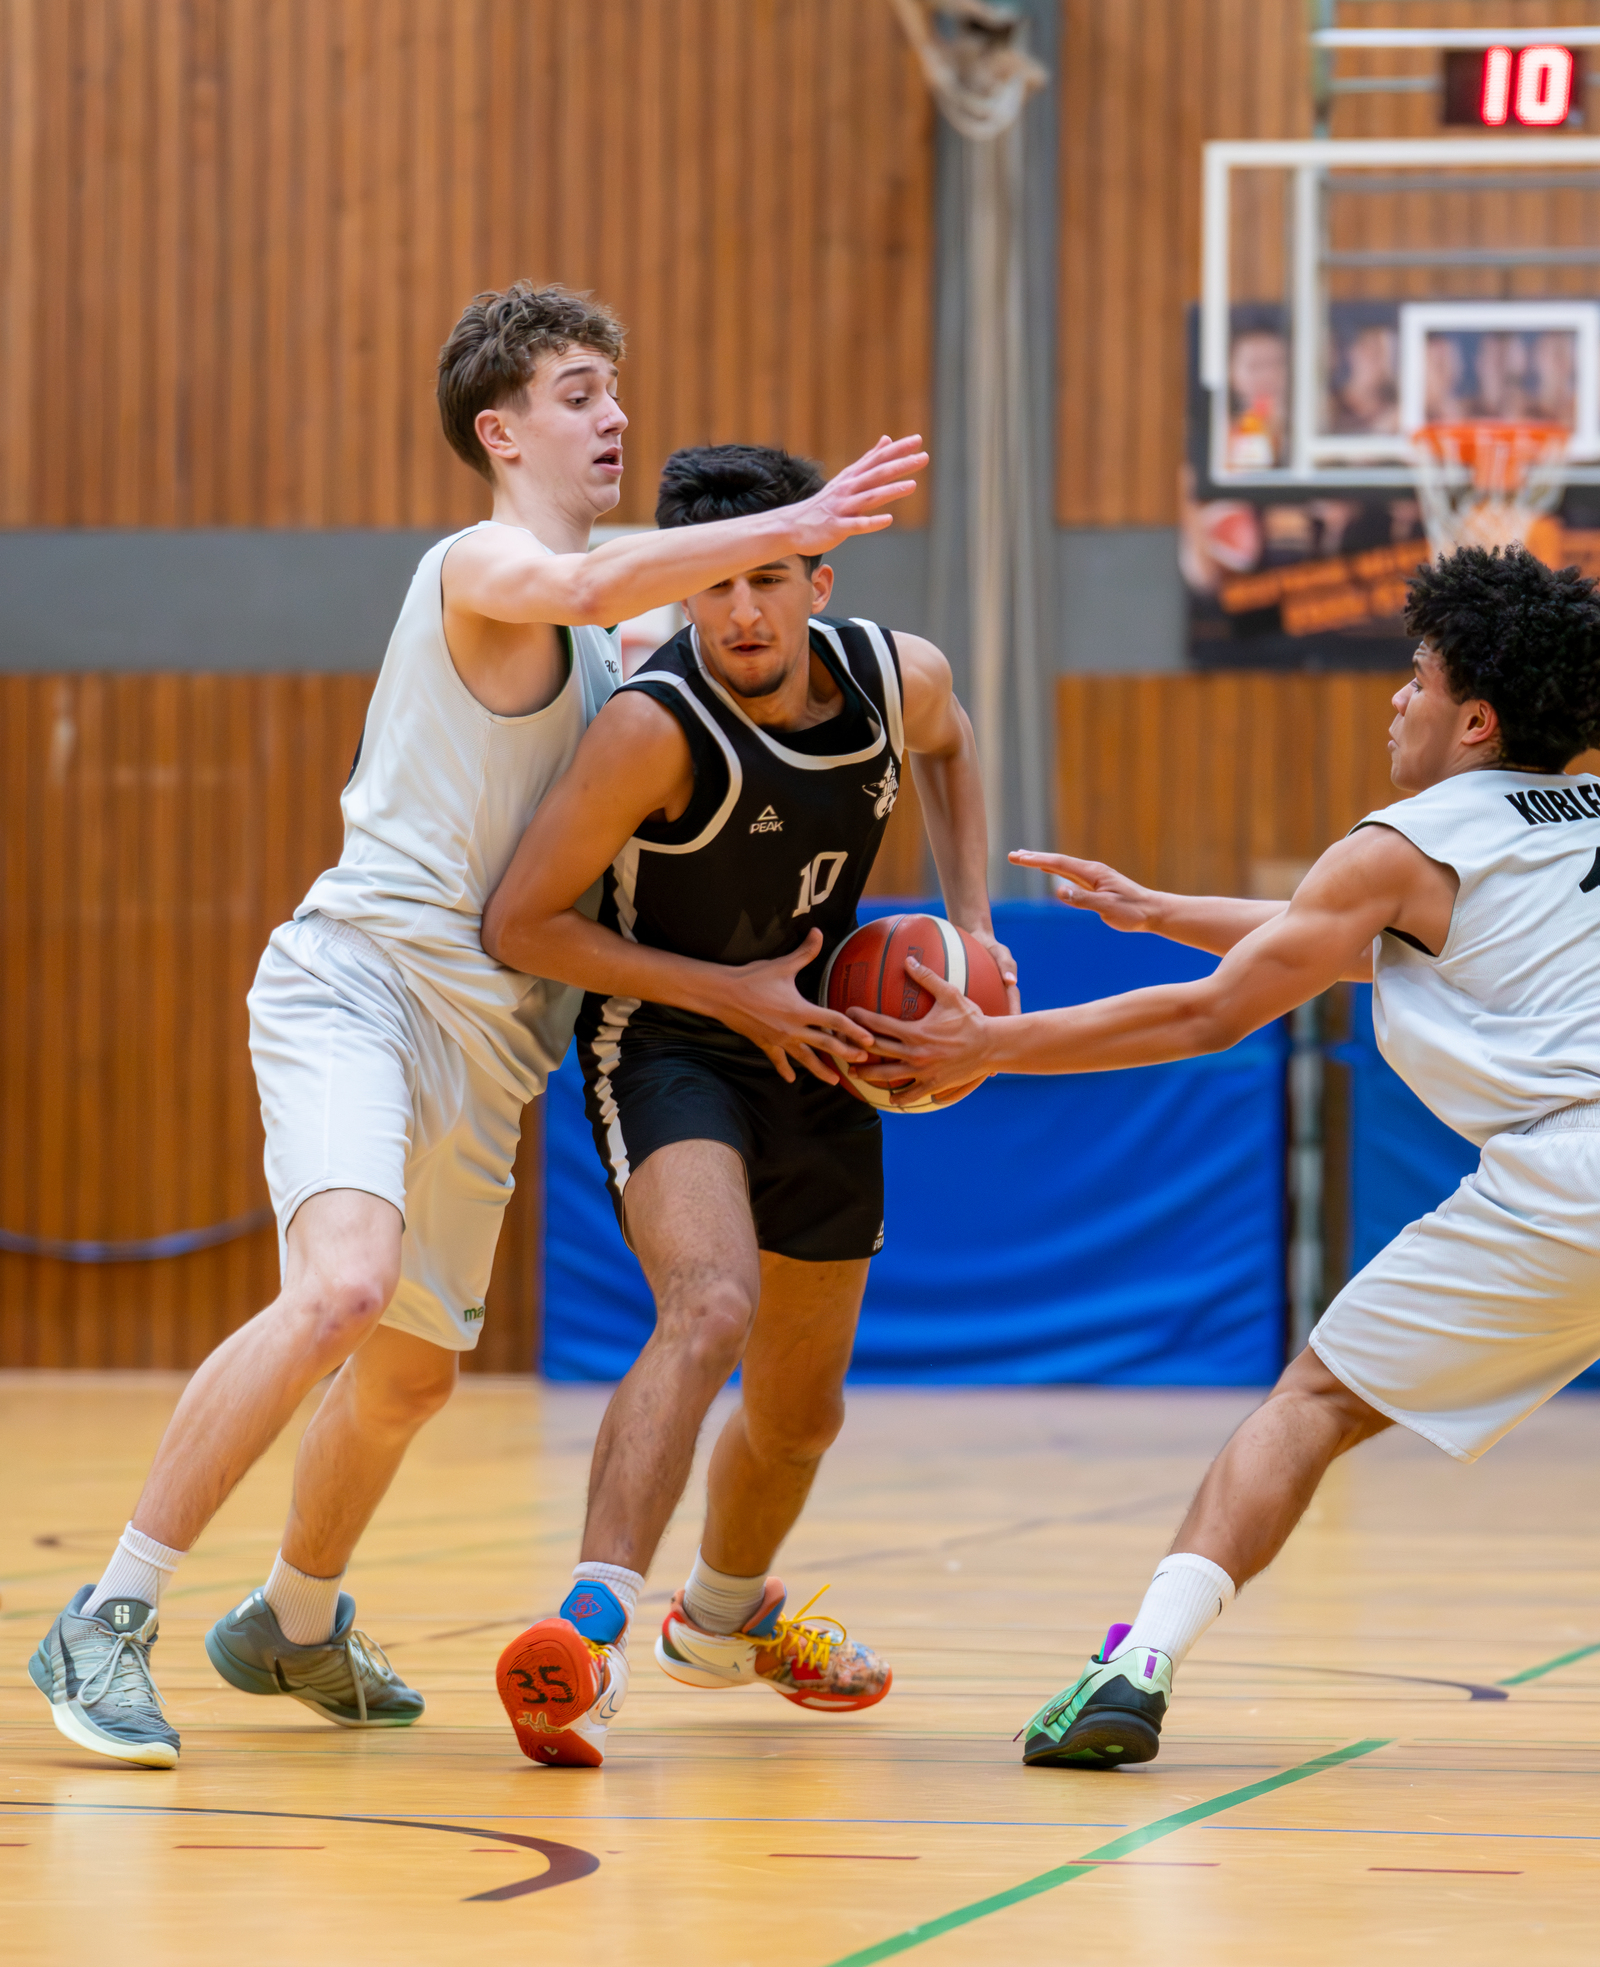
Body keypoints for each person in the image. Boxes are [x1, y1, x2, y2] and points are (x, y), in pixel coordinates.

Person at [28, 283, 926, 1769]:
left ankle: (291, 1622)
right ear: (501, 432)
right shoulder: (485, 565)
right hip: (365, 984)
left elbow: (726, 629)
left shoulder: (616, 637)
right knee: (341, 1289)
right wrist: (801, 515)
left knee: (411, 1372)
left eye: (615, 389)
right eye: (579, 394)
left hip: (494, 1042)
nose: (613, 416)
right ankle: (106, 1616)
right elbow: (591, 582)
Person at [852, 544, 1600, 1769]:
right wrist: (1157, 910)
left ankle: (1134, 1665)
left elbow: (1210, 1015)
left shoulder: (1402, 842)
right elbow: (1368, 941)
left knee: (1311, 1402)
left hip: (1567, 1175)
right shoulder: (1569, 827)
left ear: (1474, 720)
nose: (1395, 698)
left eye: (1416, 676)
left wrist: (989, 1042)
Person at [479, 442, 1015, 1767]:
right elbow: (522, 923)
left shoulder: (899, 677)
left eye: (769, 579)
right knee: (710, 1301)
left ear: (818, 581)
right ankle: (587, 1634)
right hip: (668, 1040)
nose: (743, 612)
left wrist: (972, 926)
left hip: (817, 1043)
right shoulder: (651, 730)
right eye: (716, 583)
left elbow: (952, 747)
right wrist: (736, 996)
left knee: (802, 1410)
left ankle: (720, 1621)